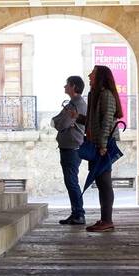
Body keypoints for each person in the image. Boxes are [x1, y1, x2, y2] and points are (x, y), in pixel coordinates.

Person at [84, 65, 124, 232]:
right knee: (101, 182)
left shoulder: (106, 95)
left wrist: (102, 145)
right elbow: (94, 120)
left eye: (92, 73)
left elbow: (107, 121)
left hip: (104, 144)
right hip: (98, 143)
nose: (89, 75)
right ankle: (104, 219)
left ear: (99, 76)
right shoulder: (95, 94)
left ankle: (107, 220)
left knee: (105, 182)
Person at [51, 75, 88, 225]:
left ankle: (78, 214)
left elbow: (60, 124)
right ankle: (76, 213)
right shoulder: (73, 104)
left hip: (71, 148)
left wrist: (61, 122)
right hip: (70, 147)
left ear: (73, 86)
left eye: (67, 84)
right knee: (71, 181)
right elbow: (55, 120)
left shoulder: (75, 105)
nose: (64, 87)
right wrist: (60, 121)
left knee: (71, 182)